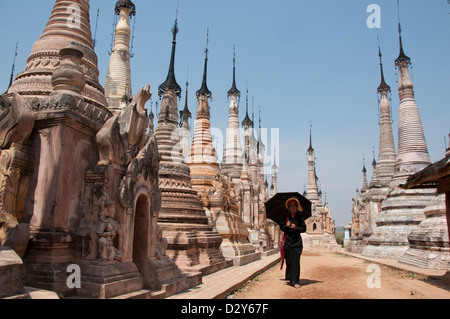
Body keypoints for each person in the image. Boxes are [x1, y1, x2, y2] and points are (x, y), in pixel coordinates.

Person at [278, 197, 307, 288]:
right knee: (289, 262)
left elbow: (304, 229)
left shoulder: (299, 217)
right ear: (289, 207)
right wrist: (286, 226)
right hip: (288, 242)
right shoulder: (285, 216)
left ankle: (296, 281)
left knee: (295, 262)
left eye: (294, 206)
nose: (293, 208)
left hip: (296, 243)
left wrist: (296, 227)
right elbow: (281, 227)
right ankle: (291, 279)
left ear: (297, 207)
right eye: (291, 206)